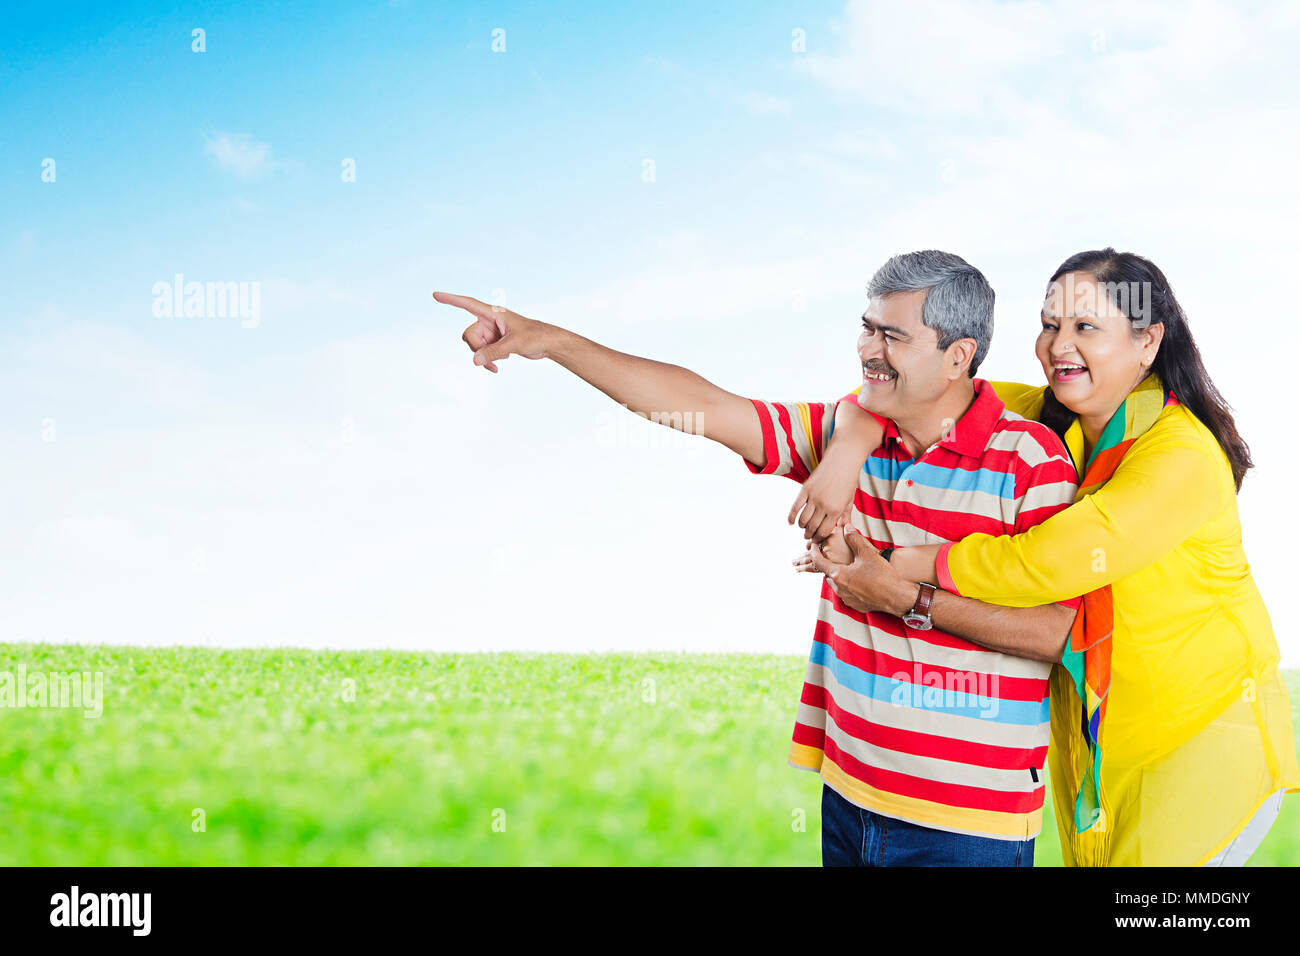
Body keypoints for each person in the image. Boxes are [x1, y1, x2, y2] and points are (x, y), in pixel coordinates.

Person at [435, 250, 1089, 866]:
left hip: (968, 825)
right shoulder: (846, 436)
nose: (868, 351)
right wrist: (549, 341)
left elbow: (1056, 632)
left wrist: (899, 596)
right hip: (851, 796)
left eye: (892, 336)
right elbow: (708, 408)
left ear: (958, 357)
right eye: (866, 330)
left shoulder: (1030, 463)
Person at [792, 248, 1300, 866]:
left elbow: (1047, 562)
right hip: (1103, 743)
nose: (1058, 345)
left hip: (1197, 738)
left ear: (1148, 342)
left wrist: (899, 566)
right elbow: (901, 387)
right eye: (1049, 324)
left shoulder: (1182, 455)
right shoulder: (1051, 414)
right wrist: (845, 456)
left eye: (1085, 327)